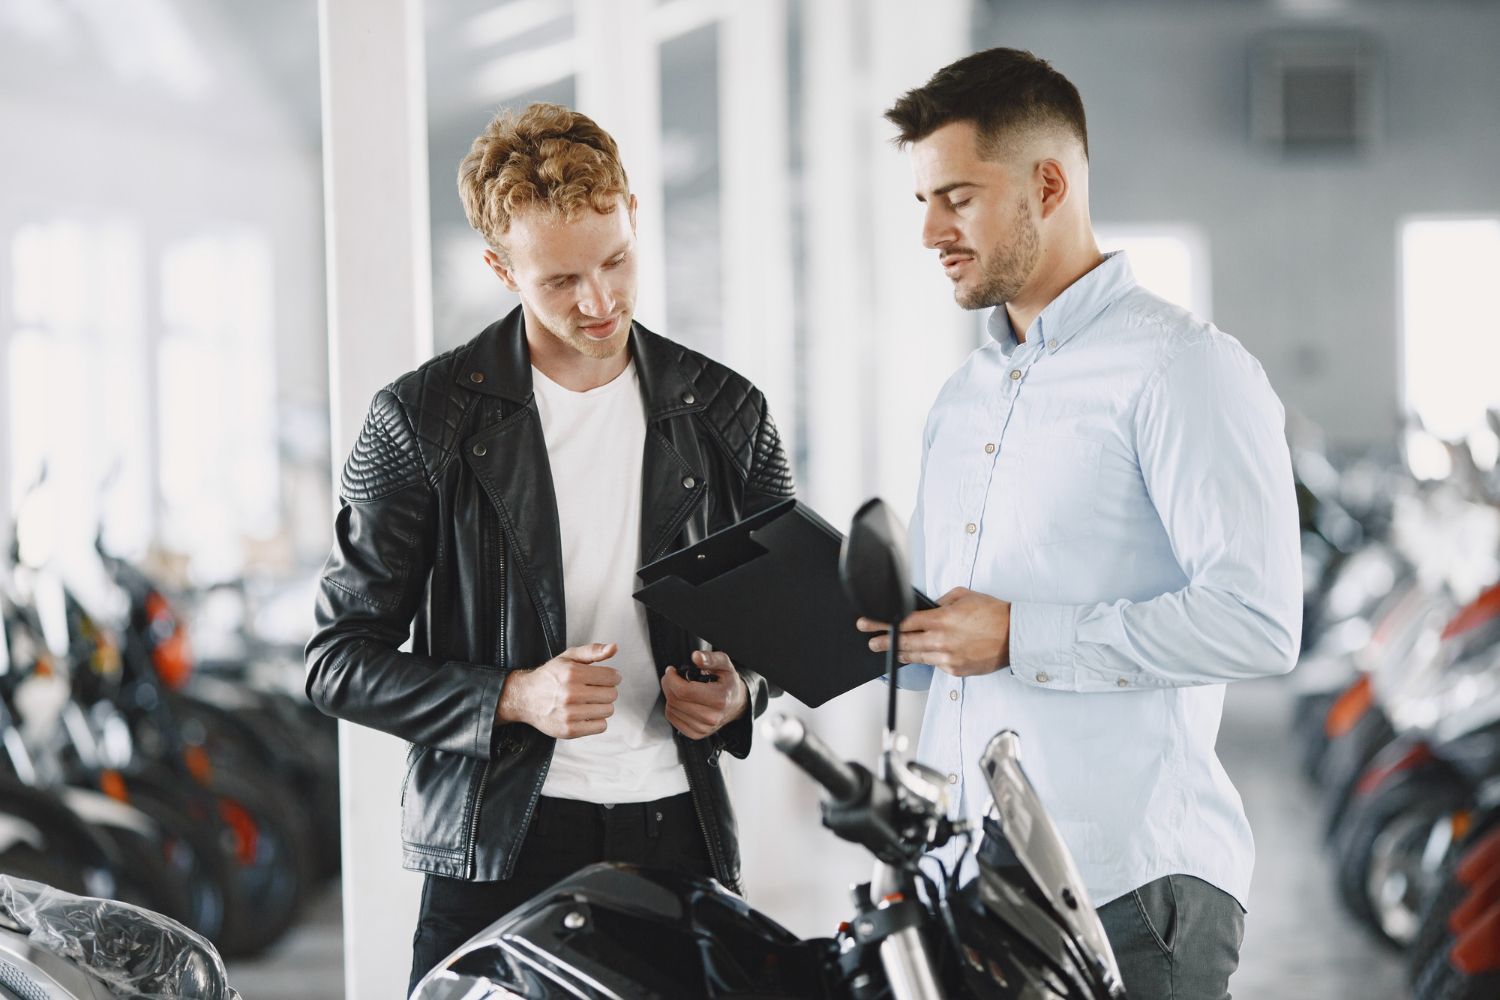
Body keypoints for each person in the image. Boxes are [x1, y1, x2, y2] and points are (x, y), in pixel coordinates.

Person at [303, 103, 793, 994]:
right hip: (495, 852)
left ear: (634, 214)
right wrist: (516, 696)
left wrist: (742, 694)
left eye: (614, 261)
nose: (599, 301)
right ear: (500, 268)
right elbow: (337, 662)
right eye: (561, 281)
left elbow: (791, 619)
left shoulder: (729, 412)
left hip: (675, 835)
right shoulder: (419, 422)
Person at [860, 48, 1302, 999]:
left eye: (958, 197)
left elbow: (1258, 621)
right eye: (923, 202)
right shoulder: (964, 396)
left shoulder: (1184, 368)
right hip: (968, 887)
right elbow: (949, 634)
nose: (932, 230)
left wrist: (1021, 634)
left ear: (1048, 184)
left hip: (1122, 889)